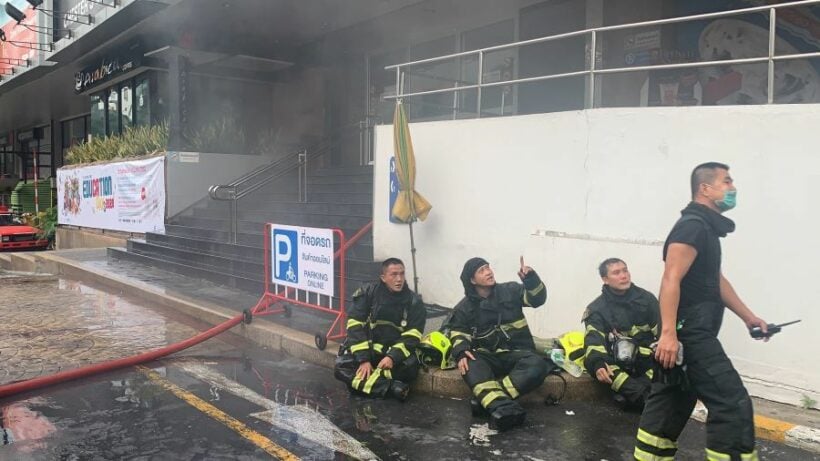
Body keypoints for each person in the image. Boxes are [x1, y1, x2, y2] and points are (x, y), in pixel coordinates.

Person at [634, 162, 768, 461]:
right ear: (705, 189)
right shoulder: (692, 226)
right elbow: (671, 278)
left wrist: (749, 317)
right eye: (727, 182)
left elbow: (715, 281)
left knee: (671, 403)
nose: (733, 188)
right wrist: (669, 335)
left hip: (689, 331)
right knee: (731, 403)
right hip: (690, 333)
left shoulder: (705, 228)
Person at [444, 256, 550, 431]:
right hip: (488, 357)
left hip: (518, 353)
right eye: (482, 270)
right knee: (468, 362)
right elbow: (458, 334)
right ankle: (502, 407)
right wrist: (461, 351)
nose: (489, 272)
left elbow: (537, 300)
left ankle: (489, 402)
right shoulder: (464, 308)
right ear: (472, 280)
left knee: (538, 364)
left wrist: (531, 279)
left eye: (488, 267)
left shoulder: (510, 290)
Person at [334, 258, 426, 401]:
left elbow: (412, 336)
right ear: (383, 278)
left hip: (394, 356)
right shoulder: (369, 293)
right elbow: (354, 325)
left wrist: (392, 357)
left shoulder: (414, 302)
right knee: (340, 367)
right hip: (370, 351)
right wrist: (363, 359)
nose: (399, 279)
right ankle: (393, 388)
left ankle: (362, 386)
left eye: (402, 274)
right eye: (394, 274)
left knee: (409, 368)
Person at [582, 258, 659, 410]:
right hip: (618, 363)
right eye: (616, 273)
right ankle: (647, 400)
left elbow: (664, 333)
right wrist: (597, 363)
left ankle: (632, 398)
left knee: (669, 364)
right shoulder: (597, 309)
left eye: (625, 270)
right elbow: (593, 342)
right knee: (605, 369)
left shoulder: (646, 300)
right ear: (605, 279)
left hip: (648, 360)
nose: (624, 275)